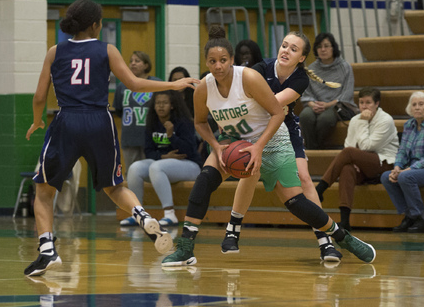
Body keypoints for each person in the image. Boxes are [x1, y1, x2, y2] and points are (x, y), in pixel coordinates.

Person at [161, 28, 376, 267]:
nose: (218, 66)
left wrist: (258, 147)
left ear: (232, 61)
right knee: (204, 182)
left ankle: (340, 237)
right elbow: (200, 122)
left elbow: (276, 112)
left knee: (296, 202)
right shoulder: (204, 87)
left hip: (272, 137)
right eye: (212, 61)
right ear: (206, 63)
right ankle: (186, 248)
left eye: (223, 60)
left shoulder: (250, 78)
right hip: (234, 140)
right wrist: (215, 145)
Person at [24, 0, 199, 276]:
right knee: (115, 186)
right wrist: (173, 84)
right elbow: (134, 83)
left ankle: (47, 250)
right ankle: (142, 215)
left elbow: (38, 97)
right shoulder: (107, 49)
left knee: (44, 190)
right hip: (99, 120)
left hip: (67, 120)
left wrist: (36, 121)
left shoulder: (55, 51)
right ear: (96, 25)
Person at [252, 31, 343, 261]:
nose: (286, 51)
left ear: (301, 58)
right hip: (256, 129)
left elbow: (274, 103)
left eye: (294, 49)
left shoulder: (300, 78)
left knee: (304, 177)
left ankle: (326, 243)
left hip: (285, 128)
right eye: (284, 45)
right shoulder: (261, 69)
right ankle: (232, 229)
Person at [316, 87, 399, 231]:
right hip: (361, 165)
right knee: (347, 169)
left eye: (368, 103)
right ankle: (345, 221)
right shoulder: (355, 119)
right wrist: (355, 162)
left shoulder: (385, 120)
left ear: (377, 103)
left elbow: (367, 146)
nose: (364, 106)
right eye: (361, 103)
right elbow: (349, 145)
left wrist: (363, 122)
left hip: (383, 163)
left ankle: (320, 188)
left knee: (348, 153)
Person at [121, 90, 202, 227]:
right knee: (135, 168)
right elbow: (148, 151)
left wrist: (171, 136)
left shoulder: (183, 122)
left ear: (172, 105)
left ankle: (170, 214)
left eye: (164, 103)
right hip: (162, 164)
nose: (160, 106)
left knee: (156, 167)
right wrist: (163, 156)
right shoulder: (152, 121)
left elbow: (188, 150)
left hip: (190, 165)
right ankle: (137, 214)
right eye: (158, 103)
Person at [380, 92, 424, 233]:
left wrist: (406, 171)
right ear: (410, 108)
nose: (417, 107)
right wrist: (397, 167)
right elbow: (402, 151)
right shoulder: (409, 125)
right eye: (414, 105)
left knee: (405, 177)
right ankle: (409, 215)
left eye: (421, 104)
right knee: (386, 177)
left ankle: (422, 218)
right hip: (414, 170)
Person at [299, 32, 357, 149]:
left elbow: (347, 93)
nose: (323, 50)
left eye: (326, 46)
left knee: (325, 119)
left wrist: (328, 104)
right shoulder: (311, 69)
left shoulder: (345, 67)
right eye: (319, 47)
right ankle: (312, 150)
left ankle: (318, 149)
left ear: (333, 48)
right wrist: (312, 104)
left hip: (336, 106)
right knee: (305, 116)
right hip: (315, 105)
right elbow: (306, 93)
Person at [112, 50, 161, 175]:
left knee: (151, 172)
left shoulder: (156, 83)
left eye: (137, 61)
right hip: (130, 136)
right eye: (131, 61)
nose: (133, 64)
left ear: (146, 65)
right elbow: (118, 110)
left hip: (151, 136)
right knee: (131, 173)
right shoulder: (122, 86)